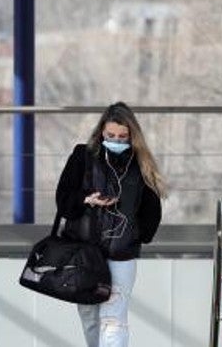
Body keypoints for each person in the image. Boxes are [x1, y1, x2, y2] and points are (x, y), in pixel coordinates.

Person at [56, 102, 165, 347]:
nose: (116, 140)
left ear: (132, 136)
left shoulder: (140, 163)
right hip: (84, 252)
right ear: (101, 133)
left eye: (123, 137)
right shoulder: (82, 156)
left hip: (121, 253)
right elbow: (63, 200)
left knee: (113, 319)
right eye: (111, 135)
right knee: (90, 317)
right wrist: (87, 199)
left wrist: (137, 235)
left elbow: (152, 210)